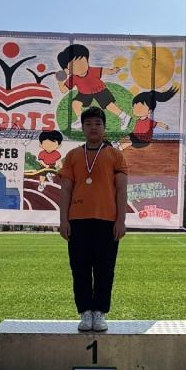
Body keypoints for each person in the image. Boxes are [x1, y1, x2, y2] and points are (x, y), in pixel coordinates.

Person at [58, 106, 128, 332]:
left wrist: (120, 221)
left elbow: (121, 190)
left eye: (98, 123)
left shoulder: (115, 155)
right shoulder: (73, 156)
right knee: (79, 269)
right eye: (88, 124)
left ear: (104, 127)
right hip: (77, 221)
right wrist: (63, 220)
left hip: (107, 221)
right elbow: (65, 190)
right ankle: (85, 312)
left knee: (104, 269)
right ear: (83, 128)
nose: (93, 128)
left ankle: (100, 312)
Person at [53, 43, 128, 127]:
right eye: (74, 65)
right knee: (75, 103)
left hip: (99, 90)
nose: (80, 67)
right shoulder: (73, 78)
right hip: (84, 94)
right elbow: (63, 90)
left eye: (82, 62)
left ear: (87, 61)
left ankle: (124, 116)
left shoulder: (92, 70)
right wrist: (60, 81)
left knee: (109, 105)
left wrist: (113, 71)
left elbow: (105, 71)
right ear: (67, 70)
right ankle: (80, 119)